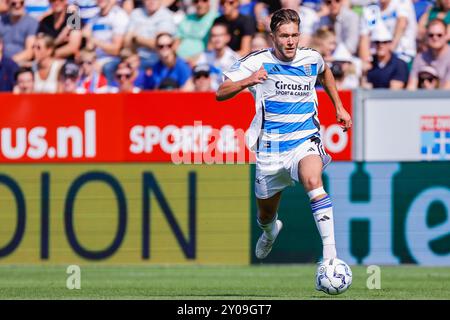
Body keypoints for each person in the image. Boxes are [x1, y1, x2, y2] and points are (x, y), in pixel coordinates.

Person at [216, 9, 352, 265]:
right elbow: (220, 92)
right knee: (265, 215)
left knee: (313, 180)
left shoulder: (311, 58)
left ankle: (330, 257)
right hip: (271, 148)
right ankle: (270, 231)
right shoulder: (256, 61)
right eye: (284, 35)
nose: (290, 41)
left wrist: (339, 106)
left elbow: (325, 73)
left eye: (294, 35)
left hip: (305, 139)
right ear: (273, 37)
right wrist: (249, 80)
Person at [83, 0, 129, 84]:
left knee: (108, 67)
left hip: (113, 60)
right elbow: (89, 47)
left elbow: (116, 50)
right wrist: (91, 62)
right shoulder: (94, 18)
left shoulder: (119, 16)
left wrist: (92, 39)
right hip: (95, 59)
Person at [359, 0, 417, 65]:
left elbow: (402, 23)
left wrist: (390, 49)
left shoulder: (402, 2)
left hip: (402, 54)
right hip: (378, 57)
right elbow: (364, 37)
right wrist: (366, 61)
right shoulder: (371, 8)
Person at [125, 0, 176, 71]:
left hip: (157, 58)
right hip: (136, 56)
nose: (151, 1)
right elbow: (126, 41)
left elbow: (159, 44)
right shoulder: (136, 13)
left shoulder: (166, 15)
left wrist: (136, 39)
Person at [408, 19, 450, 89]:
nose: (435, 38)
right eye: (431, 35)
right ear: (426, 37)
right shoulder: (420, 57)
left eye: (439, 35)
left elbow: (447, 90)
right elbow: (411, 87)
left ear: (446, 36)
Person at [196, 22, 239, 89]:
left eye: (220, 35)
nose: (217, 39)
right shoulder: (204, 56)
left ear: (228, 38)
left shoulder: (235, 59)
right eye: (214, 36)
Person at [365, 22, 409, 89]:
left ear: (390, 43)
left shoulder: (399, 65)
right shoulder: (370, 65)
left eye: (384, 42)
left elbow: (394, 91)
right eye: (377, 42)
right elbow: (365, 86)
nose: (380, 45)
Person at [0, 0, 38, 64]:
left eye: (21, 3)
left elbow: (29, 52)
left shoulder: (31, 22)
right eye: (13, 3)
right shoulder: (1, 21)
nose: (18, 6)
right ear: (7, 3)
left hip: (21, 64)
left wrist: (9, 62)